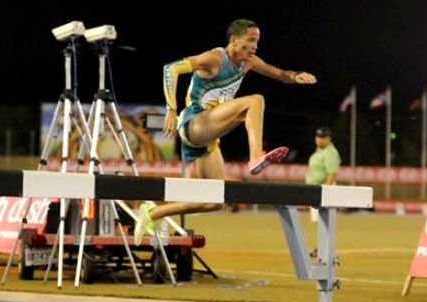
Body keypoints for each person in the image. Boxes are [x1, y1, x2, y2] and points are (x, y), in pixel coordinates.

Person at [134, 18, 317, 245]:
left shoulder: (249, 62)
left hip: (209, 139)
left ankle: (151, 213)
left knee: (214, 201)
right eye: (250, 41)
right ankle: (255, 156)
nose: (254, 47)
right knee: (255, 101)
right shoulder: (215, 58)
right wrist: (171, 108)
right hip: (194, 123)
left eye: (257, 42)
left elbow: (279, 74)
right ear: (233, 39)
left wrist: (296, 76)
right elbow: (170, 69)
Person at [305, 126, 341, 223]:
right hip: (316, 190)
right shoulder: (320, 151)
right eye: (318, 137)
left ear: (329, 138)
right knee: (317, 221)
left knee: (322, 221)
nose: (319, 140)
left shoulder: (330, 152)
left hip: (323, 190)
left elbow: (332, 173)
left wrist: (325, 191)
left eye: (323, 137)